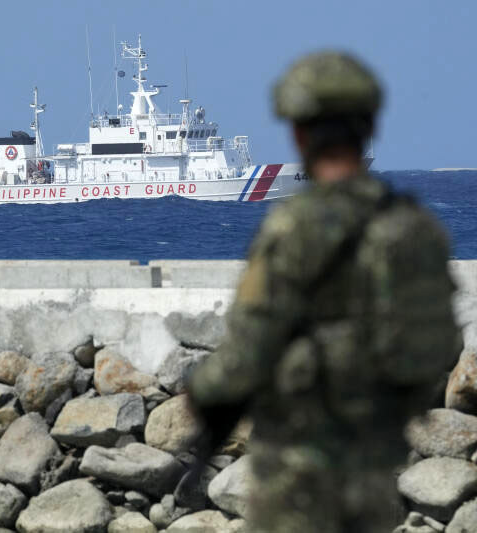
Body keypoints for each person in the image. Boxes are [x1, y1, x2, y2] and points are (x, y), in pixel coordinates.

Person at [189, 52, 461, 533]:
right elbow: (436, 347)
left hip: (295, 477)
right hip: (376, 468)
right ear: (371, 126)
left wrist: (203, 397)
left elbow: (246, 350)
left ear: (297, 132)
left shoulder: (292, 227)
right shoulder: (418, 228)